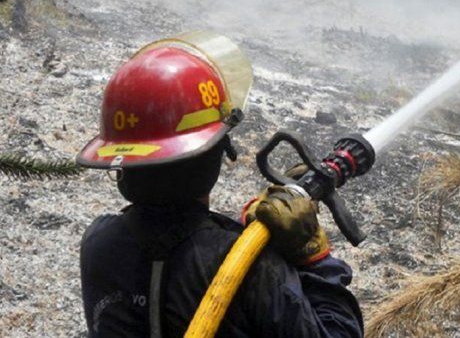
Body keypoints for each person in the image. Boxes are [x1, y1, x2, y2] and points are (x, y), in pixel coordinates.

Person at [76, 39, 364, 338]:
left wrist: (241, 234)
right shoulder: (248, 269)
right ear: (213, 153)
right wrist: (311, 257)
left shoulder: (100, 242)